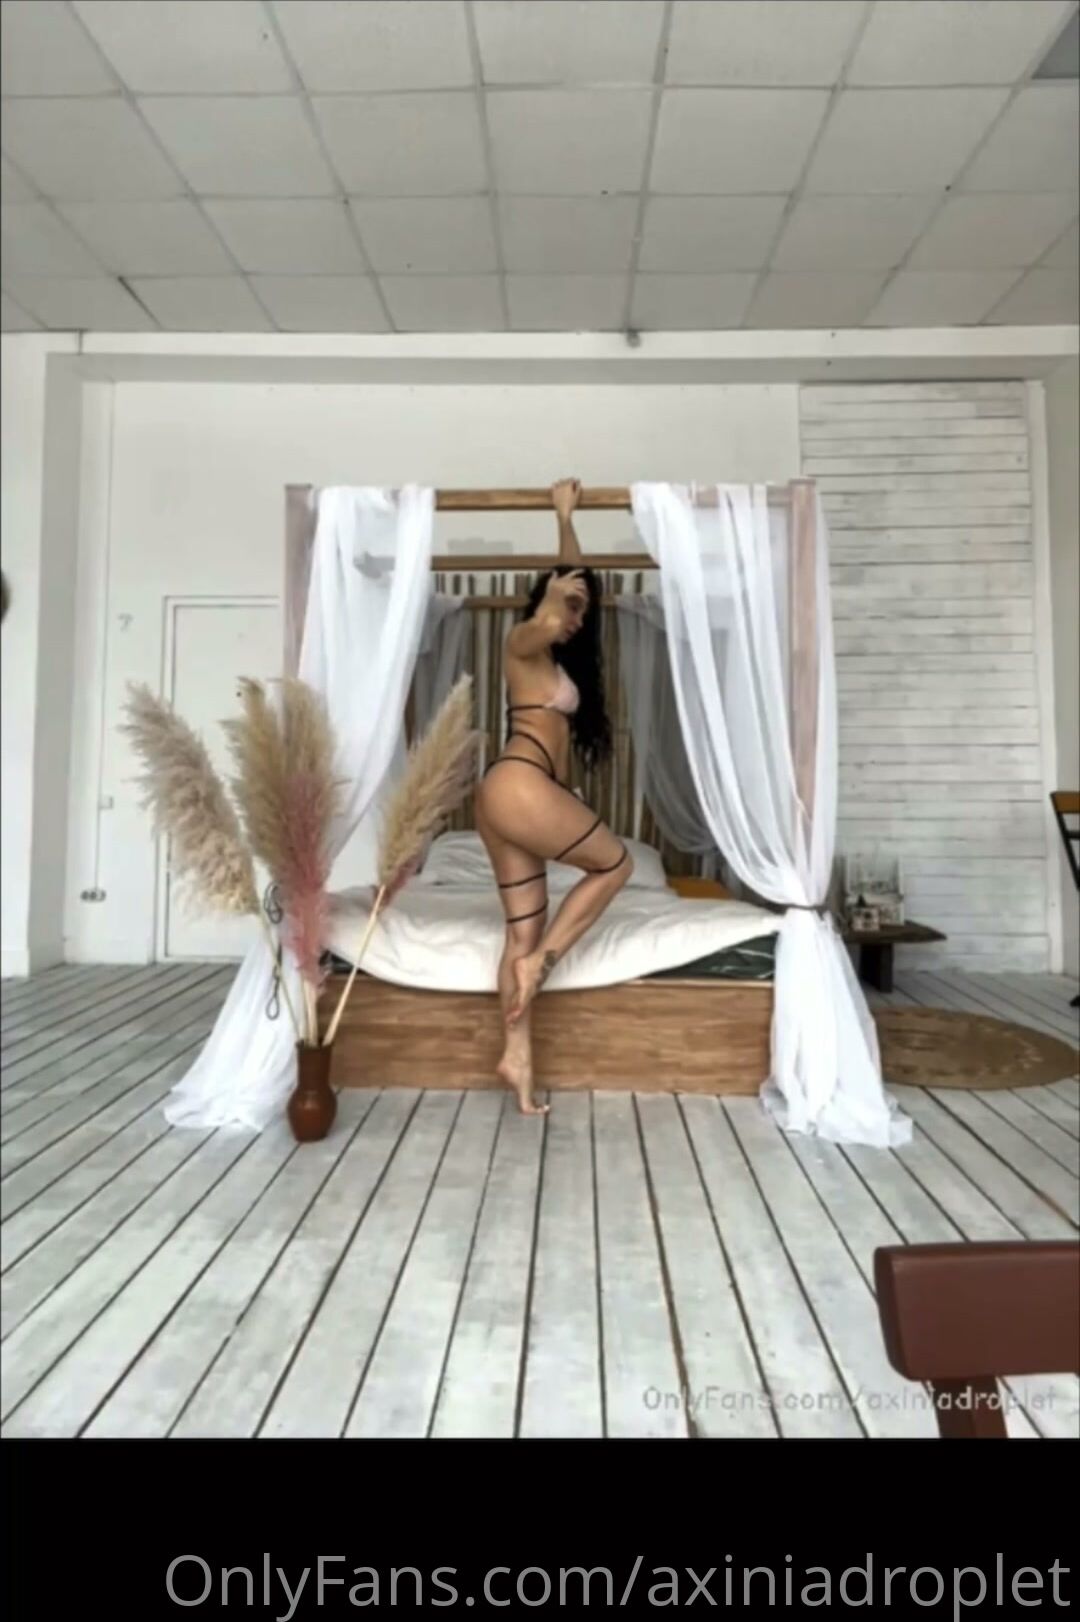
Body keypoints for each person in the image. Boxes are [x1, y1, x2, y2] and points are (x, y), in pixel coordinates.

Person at [474, 478, 632, 1114]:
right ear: (544, 601)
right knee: (615, 864)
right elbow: (548, 615)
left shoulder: (559, 660)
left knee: (520, 935)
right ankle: (545, 962)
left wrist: (565, 517)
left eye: (583, 611)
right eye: (570, 606)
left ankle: (517, 1058)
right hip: (520, 782)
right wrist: (554, 601)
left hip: (506, 795)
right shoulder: (522, 644)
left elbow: (574, 583)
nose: (576, 618)